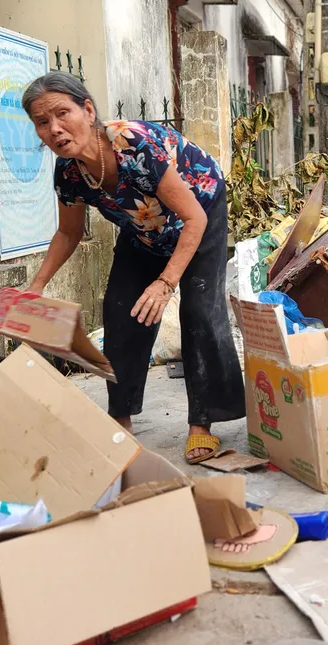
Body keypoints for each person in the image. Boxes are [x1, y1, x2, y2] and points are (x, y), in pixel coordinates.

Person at [21, 71, 245, 464]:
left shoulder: (135, 145)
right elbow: (68, 233)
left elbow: (193, 219)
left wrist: (165, 283)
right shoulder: (70, 173)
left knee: (198, 309)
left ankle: (202, 424)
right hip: (143, 227)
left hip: (198, 213)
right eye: (42, 122)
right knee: (120, 309)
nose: (54, 129)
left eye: (62, 114)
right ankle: (120, 419)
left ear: (88, 110)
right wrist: (36, 286)